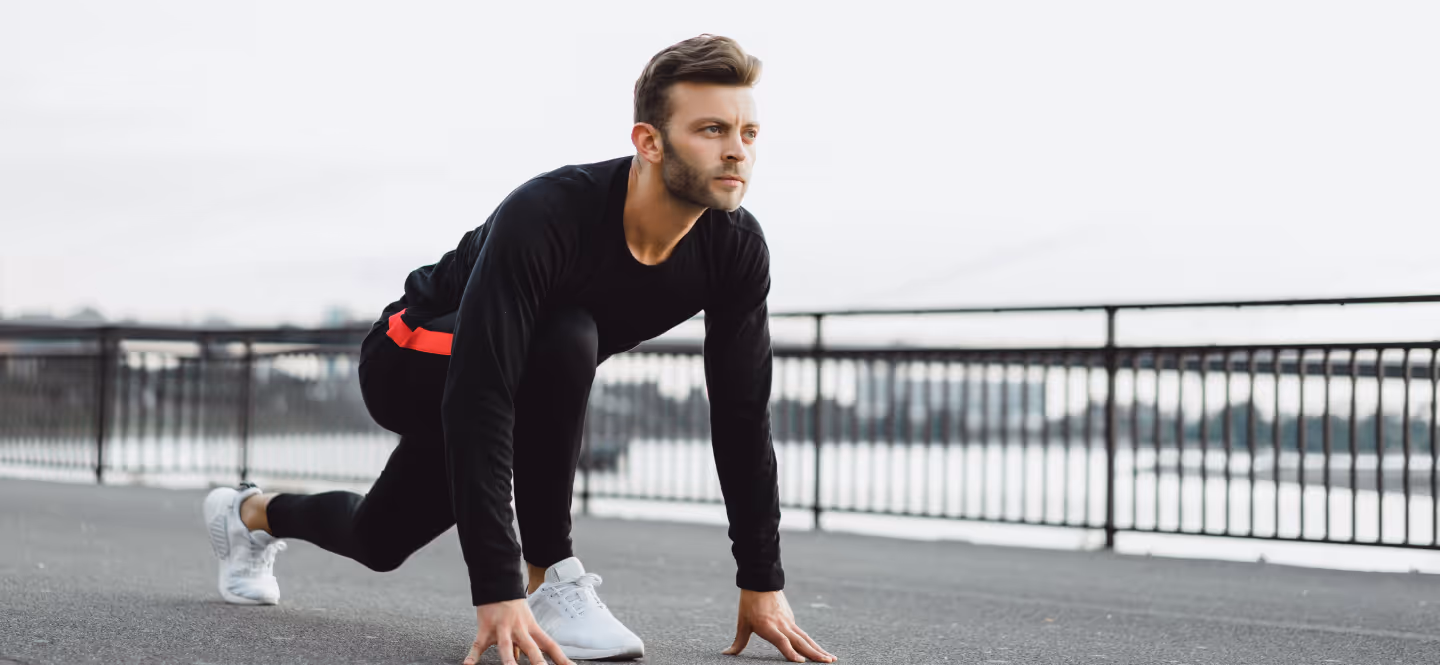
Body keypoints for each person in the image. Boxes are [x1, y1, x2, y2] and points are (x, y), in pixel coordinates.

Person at [200, 34, 836, 665]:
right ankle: (550, 578)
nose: (736, 151)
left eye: (749, 134)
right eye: (712, 130)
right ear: (648, 140)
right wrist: (500, 589)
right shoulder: (550, 214)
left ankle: (248, 513)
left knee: (379, 538)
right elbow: (481, 394)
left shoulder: (735, 250)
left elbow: (742, 414)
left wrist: (763, 582)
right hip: (408, 355)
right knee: (568, 333)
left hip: (517, 375)